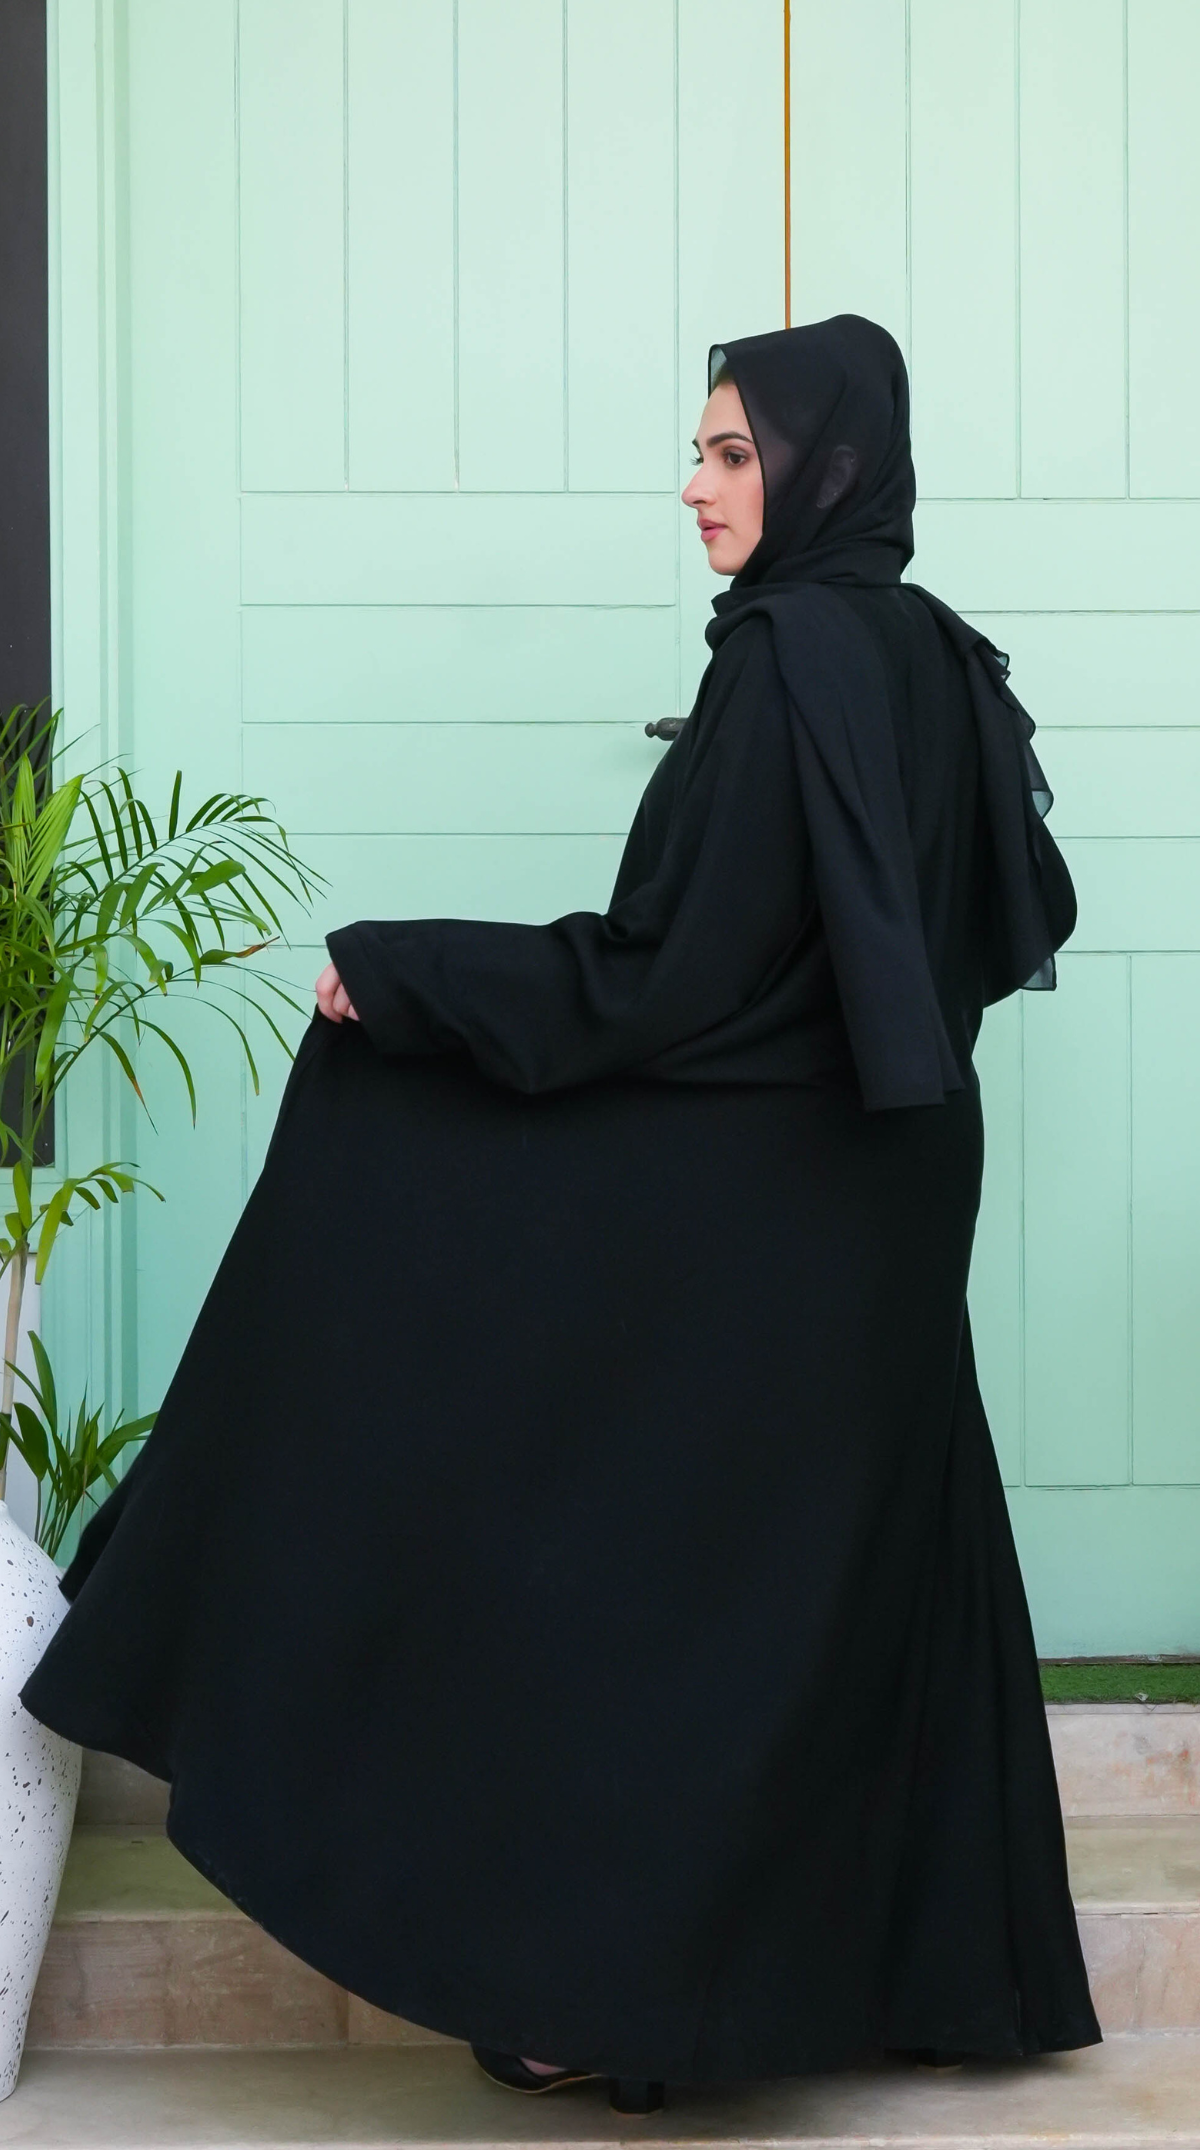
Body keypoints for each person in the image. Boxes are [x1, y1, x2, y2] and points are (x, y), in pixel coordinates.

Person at [20, 315, 1101, 2112]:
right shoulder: (935, 654)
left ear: (824, 464)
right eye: (701, 450)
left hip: (786, 1194)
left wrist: (405, 979)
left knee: (665, 1553)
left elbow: (665, 977)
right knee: (842, 1561)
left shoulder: (789, 657)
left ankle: (603, 1989)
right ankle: (908, 1972)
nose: (695, 485)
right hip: (898, 1180)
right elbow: (992, 926)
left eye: (733, 452)